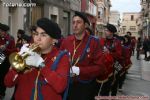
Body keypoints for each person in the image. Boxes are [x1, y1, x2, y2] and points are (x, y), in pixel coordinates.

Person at [4, 18, 70, 100]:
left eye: (43, 35)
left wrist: (41, 65)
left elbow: (60, 87)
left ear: (53, 40)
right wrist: (17, 66)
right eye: (36, 34)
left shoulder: (62, 57)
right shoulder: (26, 52)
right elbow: (8, 83)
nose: (38, 38)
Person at [60, 11, 106, 100]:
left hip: (85, 87)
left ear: (85, 25)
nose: (75, 25)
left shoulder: (94, 42)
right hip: (66, 84)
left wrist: (80, 70)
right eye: (73, 22)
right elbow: (59, 60)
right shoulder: (66, 41)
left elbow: (100, 68)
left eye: (78, 22)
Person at [102, 23, 123, 96]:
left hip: (116, 65)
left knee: (114, 85)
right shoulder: (103, 40)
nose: (105, 31)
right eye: (105, 30)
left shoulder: (117, 42)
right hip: (105, 66)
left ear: (111, 32)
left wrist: (109, 52)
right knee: (105, 87)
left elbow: (119, 55)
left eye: (106, 30)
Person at [0, 23, 16, 99]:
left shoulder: (11, 39)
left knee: (3, 77)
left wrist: (5, 49)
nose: (0, 33)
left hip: (5, 61)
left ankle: (2, 93)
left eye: (1, 31)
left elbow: (13, 51)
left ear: (5, 32)